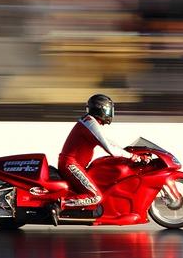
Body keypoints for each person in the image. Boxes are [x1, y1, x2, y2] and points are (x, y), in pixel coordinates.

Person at [53, 94, 145, 225]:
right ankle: (59, 204)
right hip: (71, 165)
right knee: (95, 196)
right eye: (108, 110)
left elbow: (107, 141)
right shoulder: (90, 123)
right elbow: (109, 148)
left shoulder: (89, 121)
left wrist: (126, 151)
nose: (110, 113)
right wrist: (133, 156)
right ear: (101, 109)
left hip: (72, 163)